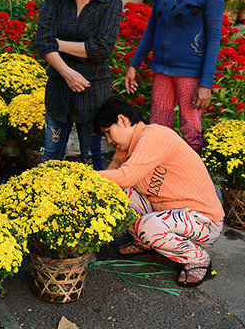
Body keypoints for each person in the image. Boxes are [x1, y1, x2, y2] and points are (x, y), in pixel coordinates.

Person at [95, 98, 224, 287]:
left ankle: (197, 258)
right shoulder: (127, 146)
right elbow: (113, 181)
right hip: (170, 215)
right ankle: (145, 242)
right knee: (121, 195)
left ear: (123, 120)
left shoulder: (155, 135)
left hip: (204, 222)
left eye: (108, 132)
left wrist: (83, 175)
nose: (109, 140)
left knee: (147, 226)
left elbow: (125, 176)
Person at [124, 0, 224, 155]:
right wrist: (134, 64)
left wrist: (206, 84)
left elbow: (213, 40)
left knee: (191, 132)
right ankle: (161, 182)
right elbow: (153, 26)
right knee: (158, 128)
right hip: (161, 69)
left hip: (190, 72)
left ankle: (193, 183)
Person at [36, 0, 122, 171]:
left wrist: (57, 44)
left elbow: (102, 48)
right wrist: (67, 73)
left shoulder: (110, 3)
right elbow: (42, 42)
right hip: (58, 88)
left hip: (93, 91)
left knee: (91, 158)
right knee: (50, 156)